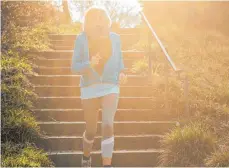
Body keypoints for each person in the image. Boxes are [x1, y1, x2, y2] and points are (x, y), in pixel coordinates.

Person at [71, 6, 127, 167]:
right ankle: (86, 156)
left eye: (102, 19)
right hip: (89, 87)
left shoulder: (115, 38)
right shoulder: (81, 39)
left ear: (107, 21)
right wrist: (89, 64)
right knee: (91, 130)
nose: (99, 23)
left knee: (108, 124)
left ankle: (106, 164)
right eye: (96, 19)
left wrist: (122, 72)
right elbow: (74, 67)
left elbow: (120, 60)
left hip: (111, 86)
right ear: (88, 22)